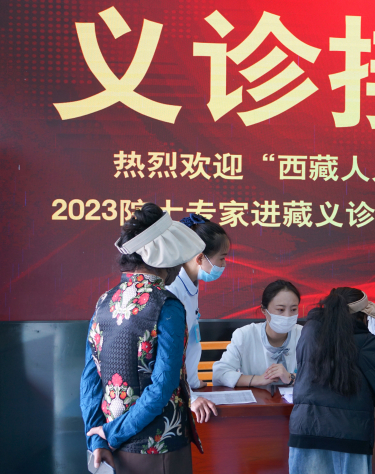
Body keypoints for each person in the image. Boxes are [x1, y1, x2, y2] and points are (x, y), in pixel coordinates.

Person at [80, 203, 206, 473]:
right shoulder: (167, 305)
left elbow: (90, 380)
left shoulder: (104, 301)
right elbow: (163, 386)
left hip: (111, 449)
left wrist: (97, 436)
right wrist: (112, 433)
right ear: (163, 256)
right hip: (159, 449)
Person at [288, 287, 375, 474]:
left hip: (305, 432)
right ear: (363, 316)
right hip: (351, 438)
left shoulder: (308, 332)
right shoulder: (366, 342)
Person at [166, 213, 230, 423]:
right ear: (200, 258)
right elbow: (169, 356)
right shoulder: (172, 290)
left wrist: (193, 382)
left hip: (187, 386)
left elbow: (191, 341)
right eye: (222, 258)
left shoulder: (191, 284)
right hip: (174, 396)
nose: (224, 264)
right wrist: (190, 397)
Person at [212, 280, 303, 388]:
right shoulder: (244, 335)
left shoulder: (305, 335)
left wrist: (291, 377)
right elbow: (219, 374)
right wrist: (258, 379)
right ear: (264, 310)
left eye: (293, 309)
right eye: (280, 309)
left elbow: (319, 376)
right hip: (256, 398)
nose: (287, 316)